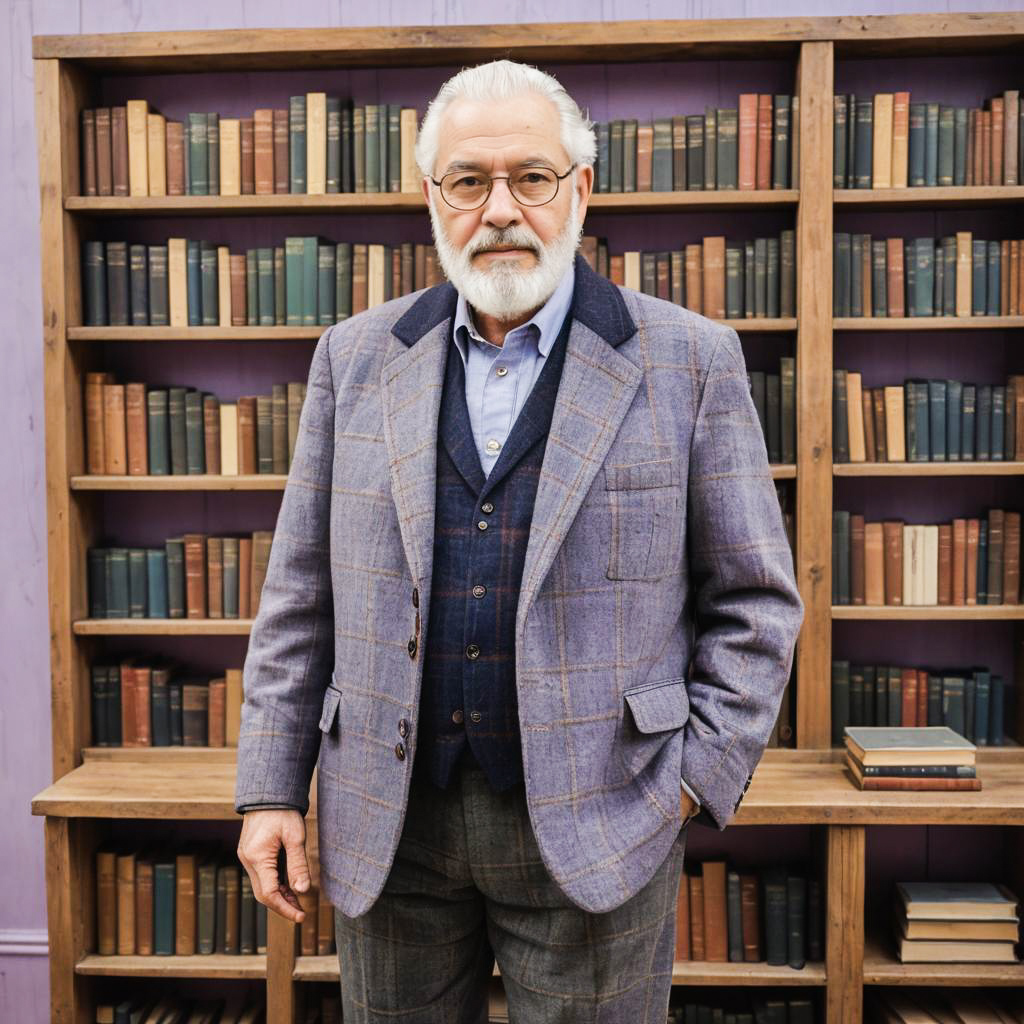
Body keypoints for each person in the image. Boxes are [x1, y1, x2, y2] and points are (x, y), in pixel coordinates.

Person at [235, 58, 804, 1023]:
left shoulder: (691, 360)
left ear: (579, 189)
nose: (500, 208)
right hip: (387, 824)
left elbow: (756, 604)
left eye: (530, 178)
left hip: (605, 822)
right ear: (433, 199)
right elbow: (300, 594)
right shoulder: (354, 358)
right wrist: (269, 790)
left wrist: (686, 786)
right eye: (469, 181)